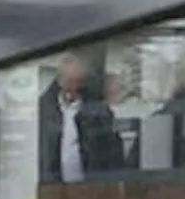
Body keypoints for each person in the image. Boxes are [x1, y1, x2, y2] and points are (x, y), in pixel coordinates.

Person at [39, 53, 125, 183]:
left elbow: (114, 155)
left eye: (77, 85)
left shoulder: (99, 111)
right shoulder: (44, 110)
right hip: (53, 186)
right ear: (59, 82)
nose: (72, 92)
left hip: (90, 186)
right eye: (68, 85)